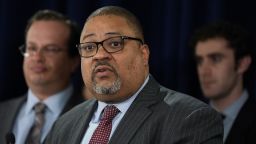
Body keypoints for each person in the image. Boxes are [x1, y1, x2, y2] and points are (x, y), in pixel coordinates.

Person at [45, 6, 223, 144]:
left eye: (114, 44)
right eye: (89, 47)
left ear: (143, 54)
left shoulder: (190, 118)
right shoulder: (64, 125)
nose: (99, 55)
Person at [0, 10, 84, 144]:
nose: (37, 57)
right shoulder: (2, 112)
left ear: (74, 61)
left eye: (50, 49)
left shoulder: (91, 116)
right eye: (32, 48)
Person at [190, 22, 256, 144]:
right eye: (200, 61)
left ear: (242, 64)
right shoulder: (185, 121)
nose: (204, 71)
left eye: (215, 59)